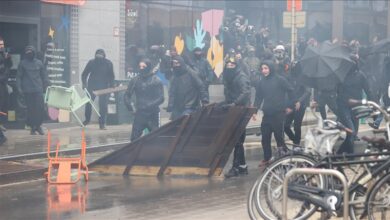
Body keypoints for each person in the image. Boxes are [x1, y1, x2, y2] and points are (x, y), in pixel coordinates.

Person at [254, 60, 295, 166]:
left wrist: (290, 106)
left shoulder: (280, 80)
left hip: (278, 114)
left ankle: (283, 158)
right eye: (262, 68)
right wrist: (254, 111)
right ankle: (267, 158)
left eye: (266, 68)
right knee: (265, 138)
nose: (264, 71)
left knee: (279, 138)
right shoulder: (261, 82)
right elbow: (258, 97)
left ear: (271, 68)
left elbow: (291, 91)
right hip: (267, 114)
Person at [222, 56, 251, 178]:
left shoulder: (241, 77)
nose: (229, 67)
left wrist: (234, 103)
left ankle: (235, 167)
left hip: (240, 111)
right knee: (237, 140)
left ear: (236, 66)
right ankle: (242, 166)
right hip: (234, 110)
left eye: (232, 65)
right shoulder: (229, 77)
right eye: (228, 65)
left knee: (237, 140)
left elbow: (245, 92)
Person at [337, 55, 372, 154]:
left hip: (356, 107)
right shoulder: (341, 75)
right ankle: (350, 156)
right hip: (343, 106)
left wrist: (373, 103)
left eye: (354, 62)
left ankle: (340, 154)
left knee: (353, 133)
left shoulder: (361, 75)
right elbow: (337, 91)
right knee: (351, 131)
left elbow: (368, 90)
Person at [124, 59, 164, 141]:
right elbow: (127, 95)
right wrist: (130, 107)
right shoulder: (135, 80)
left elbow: (161, 98)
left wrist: (150, 105)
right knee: (134, 139)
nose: (141, 68)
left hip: (153, 114)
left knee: (156, 139)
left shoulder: (156, 80)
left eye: (143, 66)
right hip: (140, 113)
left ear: (148, 67)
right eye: (140, 66)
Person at [16, 46, 50, 135]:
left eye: (30, 52)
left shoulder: (39, 63)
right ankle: (33, 127)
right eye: (27, 52)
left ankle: (38, 126)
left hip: (38, 89)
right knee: (31, 110)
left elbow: (44, 75)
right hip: (27, 90)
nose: (29, 53)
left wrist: (47, 84)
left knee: (40, 108)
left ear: (34, 53)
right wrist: (19, 88)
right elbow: (19, 77)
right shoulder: (22, 63)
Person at [81, 49, 115, 130]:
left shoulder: (108, 63)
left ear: (104, 56)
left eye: (100, 56)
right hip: (92, 86)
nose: (99, 58)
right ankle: (87, 120)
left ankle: (102, 123)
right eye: (97, 56)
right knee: (89, 103)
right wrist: (84, 84)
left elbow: (111, 76)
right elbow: (84, 74)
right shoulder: (91, 62)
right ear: (95, 56)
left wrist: (111, 85)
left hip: (104, 87)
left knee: (103, 106)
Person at [167, 56, 208, 120]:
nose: (176, 65)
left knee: (185, 122)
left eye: (177, 63)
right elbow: (172, 92)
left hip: (190, 105)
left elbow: (201, 86)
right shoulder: (174, 76)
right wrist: (170, 105)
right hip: (177, 107)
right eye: (174, 64)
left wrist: (204, 100)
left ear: (181, 63)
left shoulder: (191, 72)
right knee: (175, 125)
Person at [283, 63, 311, 145]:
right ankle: (295, 140)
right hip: (291, 104)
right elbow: (286, 91)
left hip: (300, 106)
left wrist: (299, 101)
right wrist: (286, 106)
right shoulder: (289, 77)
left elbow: (308, 91)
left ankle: (297, 144)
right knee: (285, 125)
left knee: (297, 126)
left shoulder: (304, 77)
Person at [0, 36, 12, 142]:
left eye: (2, 45)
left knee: (3, 107)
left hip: (3, 85)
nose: (2, 47)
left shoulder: (4, 55)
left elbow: (9, 67)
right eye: (0, 45)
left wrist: (8, 59)